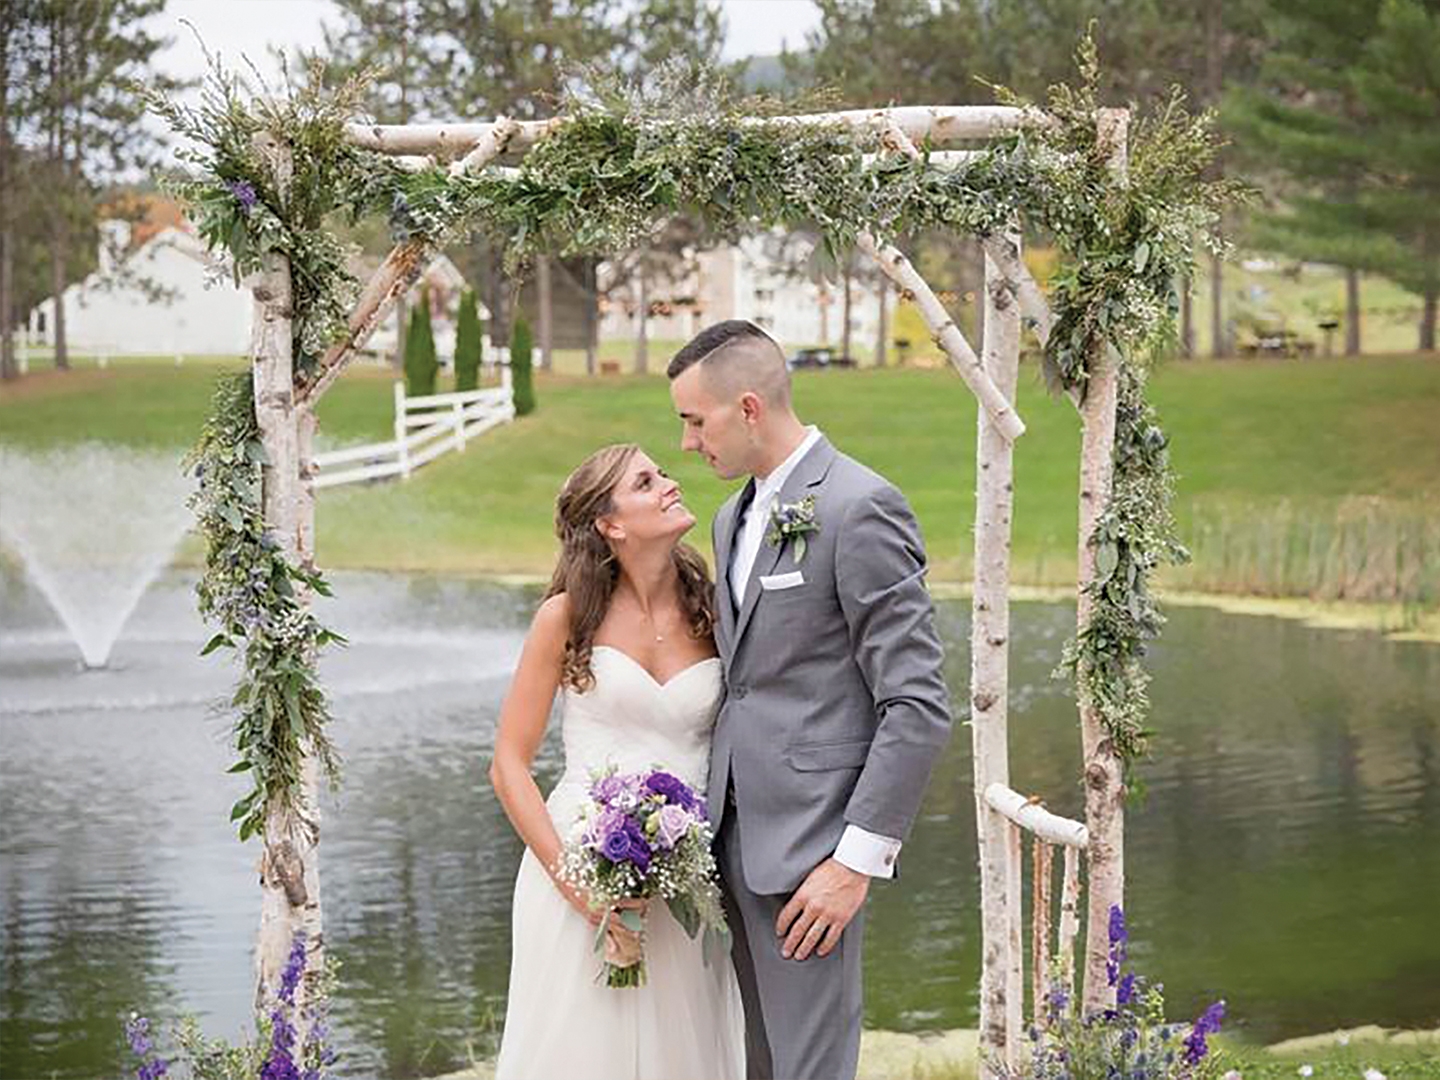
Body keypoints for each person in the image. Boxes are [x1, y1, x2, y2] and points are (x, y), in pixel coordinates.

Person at [668, 320, 954, 1080]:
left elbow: (918, 703)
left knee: (811, 1069)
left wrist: (854, 862)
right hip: (730, 840)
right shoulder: (732, 519)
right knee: (756, 1065)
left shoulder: (861, 507)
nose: (689, 444)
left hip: (812, 854)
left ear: (750, 408)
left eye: (695, 422)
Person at [490, 444, 745, 1080]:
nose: (669, 482)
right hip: (581, 868)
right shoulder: (567, 616)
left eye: (662, 473)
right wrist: (585, 897)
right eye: (646, 480)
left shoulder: (716, 609)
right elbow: (508, 765)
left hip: (691, 881)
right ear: (611, 523)